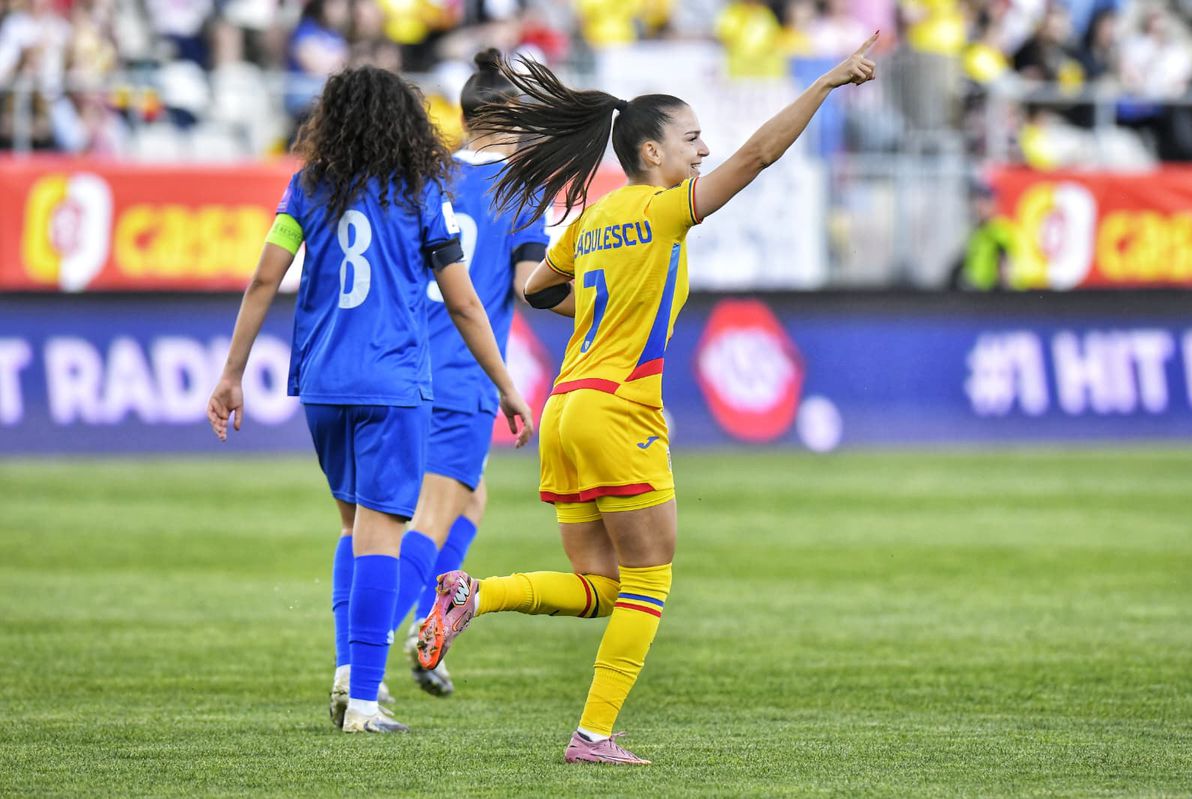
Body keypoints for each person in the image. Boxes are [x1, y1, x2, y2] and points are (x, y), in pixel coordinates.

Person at [415, 38, 877, 764]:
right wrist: (822, 85)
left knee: (600, 587)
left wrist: (603, 310)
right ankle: (593, 734)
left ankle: (479, 594)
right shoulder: (664, 212)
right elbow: (757, 157)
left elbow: (536, 290)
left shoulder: (593, 219)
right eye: (691, 139)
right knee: (650, 581)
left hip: (566, 406)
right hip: (619, 410)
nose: (704, 150)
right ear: (652, 153)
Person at [205, 65, 532, 734]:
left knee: (354, 529)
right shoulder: (419, 194)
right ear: (404, 123)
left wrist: (231, 372)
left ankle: (353, 672)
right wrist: (505, 383)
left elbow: (267, 275)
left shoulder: (307, 186)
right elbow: (465, 300)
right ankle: (359, 693)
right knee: (386, 532)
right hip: (393, 381)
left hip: (321, 381)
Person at [388, 48, 552, 698]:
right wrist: (596, 289)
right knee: (428, 521)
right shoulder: (520, 187)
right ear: (509, 116)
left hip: (402, 367)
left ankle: (430, 627)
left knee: (469, 497)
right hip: (463, 374)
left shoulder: (424, 177)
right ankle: (367, 659)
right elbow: (531, 286)